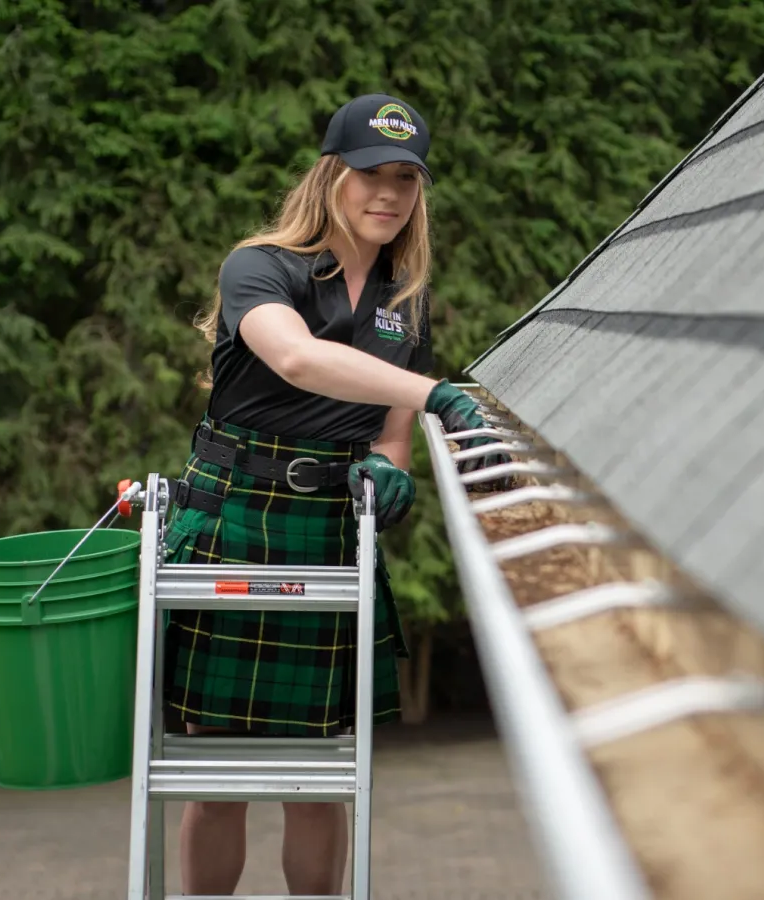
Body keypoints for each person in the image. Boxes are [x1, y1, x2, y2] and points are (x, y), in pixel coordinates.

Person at [159, 92, 505, 896]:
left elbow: (385, 430)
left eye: (405, 179)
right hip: (234, 518)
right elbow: (298, 361)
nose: (387, 193)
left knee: (321, 773)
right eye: (368, 174)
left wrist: (391, 468)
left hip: (328, 530)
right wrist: (436, 394)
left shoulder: (401, 298)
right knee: (218, 775)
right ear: (330, 175)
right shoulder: (260, 266)